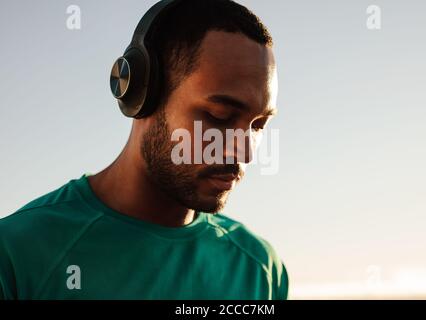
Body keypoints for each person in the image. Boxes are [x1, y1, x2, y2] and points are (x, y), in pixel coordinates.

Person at [0, 0, 288, 299]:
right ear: (140, 94)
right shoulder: (16, 255)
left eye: (258, 125)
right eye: (219, 116)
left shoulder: (260, 271)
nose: (243, 153)